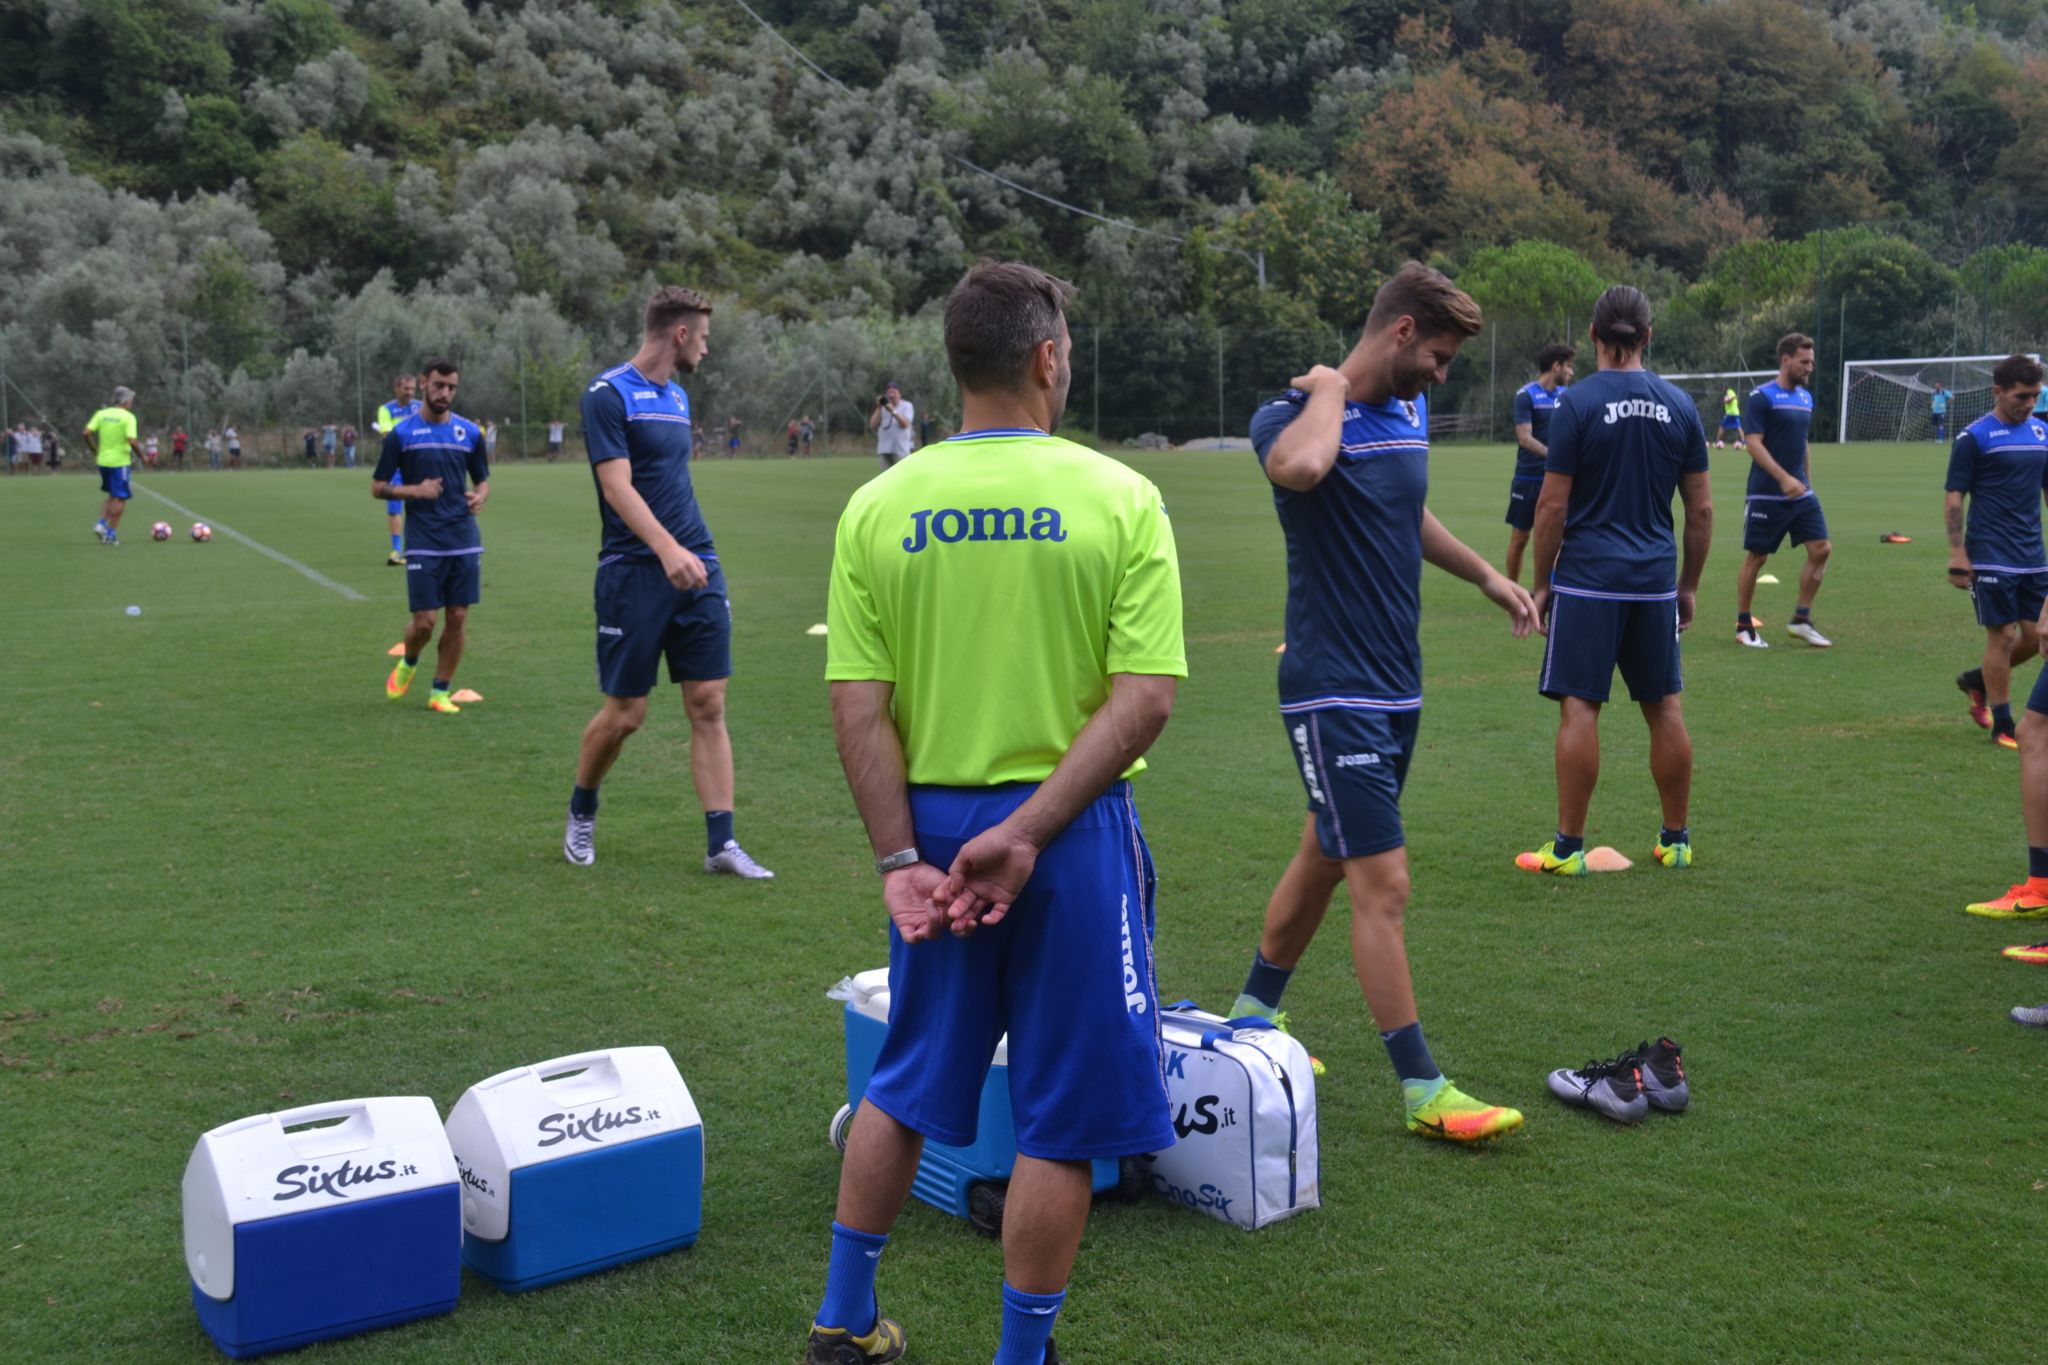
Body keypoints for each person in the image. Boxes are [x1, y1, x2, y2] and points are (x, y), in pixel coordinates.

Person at [809, 260, 1183, 1365]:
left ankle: (841, 1320)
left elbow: (856, 712)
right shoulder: (1119, 497)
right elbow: (1145, 698)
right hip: (1064, 837)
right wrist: (1024, 834)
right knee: (1061, 1119)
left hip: (930, 836)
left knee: (907, 1082)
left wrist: (895, 860)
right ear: (1046, 358)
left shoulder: (878, 505)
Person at [1228, 261, 1532, 1146]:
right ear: (1399, 331)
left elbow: (1407, 511)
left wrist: (1483, 573)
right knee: (1383, 883)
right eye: (1436, 356)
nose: (1442, 375)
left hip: (1398, 681)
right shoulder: (1288, 418)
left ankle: (1252, 1011)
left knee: (1328, 848)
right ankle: (1423, 1089)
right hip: (1332, 689)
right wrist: (1329, 387)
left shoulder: (1407, 411)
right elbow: (1303, 466)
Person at [563, 285, 774, 881]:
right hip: (634, 572)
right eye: (703, 338)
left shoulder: (678, 398)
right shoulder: (607, 395)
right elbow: (617, 488)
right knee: (626, 714)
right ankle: (582, 808)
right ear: (680, 333)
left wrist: (687, 552)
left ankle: (721, 843)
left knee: (708, 703)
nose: (706, 350)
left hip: (697, 563)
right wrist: (665, 550)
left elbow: (669, 483)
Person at [1520, 285, 1713, 875]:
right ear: (1647, 337)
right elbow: (1701, 512)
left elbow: (1551, 509)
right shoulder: (1680, 405)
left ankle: (1568, 849)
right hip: (1653, 580)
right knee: (1665, 708)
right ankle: (1676, 840)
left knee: (1581, 708)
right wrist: (1688, 584)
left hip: (1587, 582)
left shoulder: (1575, 404)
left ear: (1594, 336)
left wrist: (1542, 582)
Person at [373, 359, 489, 714]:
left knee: (457, 617)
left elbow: (482, 478)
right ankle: (410, 659)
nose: (445, 393)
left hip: (463, 536)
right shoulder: (402, 434)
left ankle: (440, 692)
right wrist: (414, 491)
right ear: (424, 383)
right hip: (424, 538)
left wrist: (482, 494)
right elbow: (378, 488)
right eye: (439, 385)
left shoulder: (469, 433)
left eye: (451, 388)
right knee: (425, 621)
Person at [1946, 356, 2048, 752]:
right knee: (2003, 635)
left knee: (2037, 634)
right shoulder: (1975, 437)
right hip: (1989, 552)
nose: (2029, 404)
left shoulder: (2042, 433)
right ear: (1999, 392)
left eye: (2036, 396)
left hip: (2033, 554)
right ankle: (2003, 724)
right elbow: (1954, 494)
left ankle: (1977, 680)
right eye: (2022, 396)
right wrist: (1957, 552)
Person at [1734, 334, 1831, 648]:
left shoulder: (1805, 398)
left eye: (1812, 362)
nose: (1809, 368)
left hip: (1801, 493)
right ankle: (1743, 625)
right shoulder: (1762, 396)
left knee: (1822, 549)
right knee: (1757, 558)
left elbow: (1802, 442)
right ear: (1785, 360)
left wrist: (1806, 482)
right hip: (1766, 493)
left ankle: (1801, 619)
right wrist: (1783, 478)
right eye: (1804, 362)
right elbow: (1753, 443)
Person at [1506, 343, 1576, 584]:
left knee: (1558, 539)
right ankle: (1512, 593)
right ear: (1556, 366)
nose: (1571, 372)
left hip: (1557, 479)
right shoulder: (1526, 396)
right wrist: (1554, 456)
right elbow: (1524, 437)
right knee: (1520, 539)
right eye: (1568, 366)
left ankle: (1553, 590)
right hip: (1528, 479)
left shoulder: (1567, 397)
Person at [373, 373, 420, 565]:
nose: (409, 392)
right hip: (396, 465)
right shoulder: (386, 410)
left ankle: (417, 547)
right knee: (394, 508)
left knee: (420, 505)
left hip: (417, 463)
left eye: (412, 389)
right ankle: (396, 550)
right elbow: (387, 434)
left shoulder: (421, 407)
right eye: (406, 388)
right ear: (397, 389)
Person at [86, 386, 142, 545]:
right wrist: (142, 455)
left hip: (103, 461)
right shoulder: (128, 417)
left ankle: (100, 524)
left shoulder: (101, 414)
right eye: (131, 400)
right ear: (125, 401)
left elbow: (86, 432)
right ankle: (110, 534)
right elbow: (132, 441)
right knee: (121, 498)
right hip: (120, 463)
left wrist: (93, 449)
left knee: (112, 495)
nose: (131, 403)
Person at [868, 382, 914, 470]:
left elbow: (905, 424)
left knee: (902, 476)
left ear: (900, 394)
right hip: (884, 449)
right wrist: (879, 407)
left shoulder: (907, 406)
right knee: (887, 478)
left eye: (893, 392)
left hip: (901, 449)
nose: (891, 395)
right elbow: (872, 425)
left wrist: (893, 411)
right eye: (889, 393)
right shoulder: (883, 408)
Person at [1716, 385, 1742, 449]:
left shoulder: (1729, 392)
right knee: (1738, 428)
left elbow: (1729, 400)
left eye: (1722, 388)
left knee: (1722, 427)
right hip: (1735, 413)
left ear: (1725, 388)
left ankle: (1717, 442)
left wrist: (1726, 400)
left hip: (1730, 413)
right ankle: (1743, 442)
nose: (1722, 389)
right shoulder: (1730, 392)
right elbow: (1732, 398)